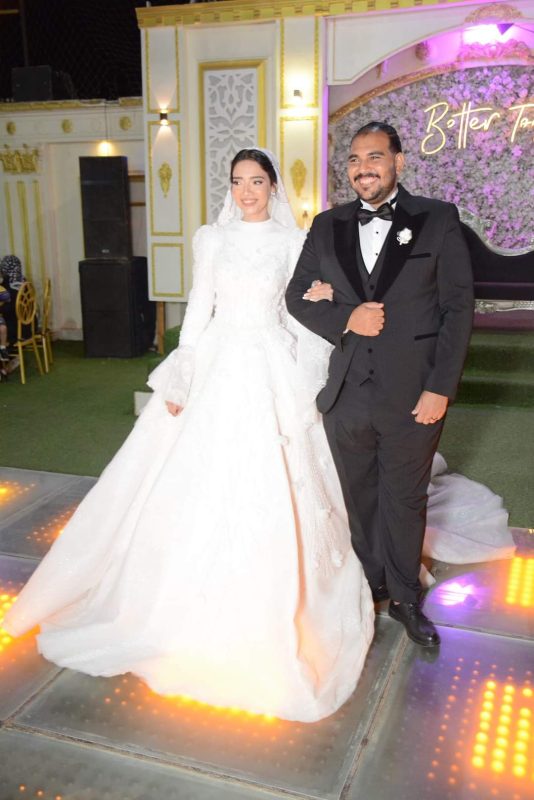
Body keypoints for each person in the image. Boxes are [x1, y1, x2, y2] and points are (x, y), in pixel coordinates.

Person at [3, 148, 375, 723]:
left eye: (257, 181)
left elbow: (297, 307)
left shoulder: (292, 241)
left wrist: (320, 311)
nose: (247, 191)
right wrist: (182, 372)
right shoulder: (212, 239)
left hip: (270, 361)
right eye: (238, 181)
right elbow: (199, 307)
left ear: (273, 186)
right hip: (219, 360)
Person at [286, 121, 475, 648]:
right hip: (347, 392)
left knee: (405, 498)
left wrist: (440, 388)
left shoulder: (437, 219)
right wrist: (347, 318)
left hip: (415, 392)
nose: (362, 168)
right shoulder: (327, 225)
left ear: (398, 162)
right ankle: (371, 586)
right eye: (354, 159)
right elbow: (296, 296)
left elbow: (458, 308)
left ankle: (406, 599)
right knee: (360, 498)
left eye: (374, 157)